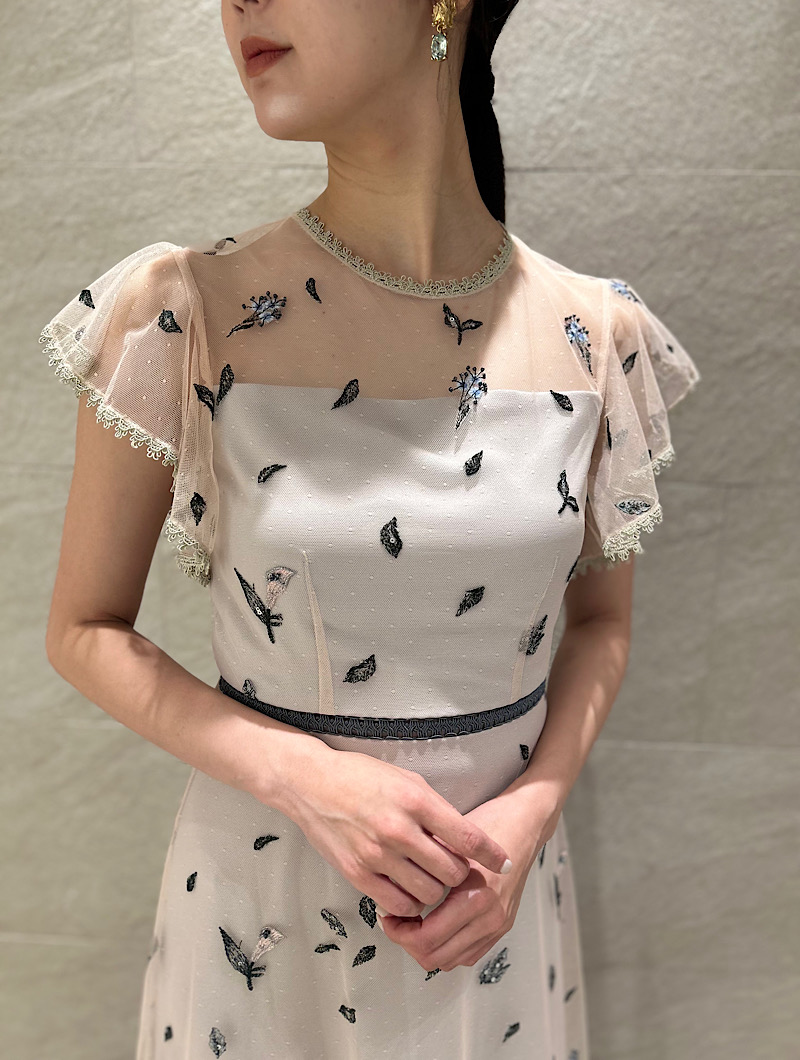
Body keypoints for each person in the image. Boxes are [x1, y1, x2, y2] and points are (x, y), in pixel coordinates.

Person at [40, 0, 701, 1057]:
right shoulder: (185, 308)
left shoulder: (595, 333)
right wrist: (305, 778)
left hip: (495, 907)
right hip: (265, 907)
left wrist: (530, 813)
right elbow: (84, 629)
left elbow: (600, 627)